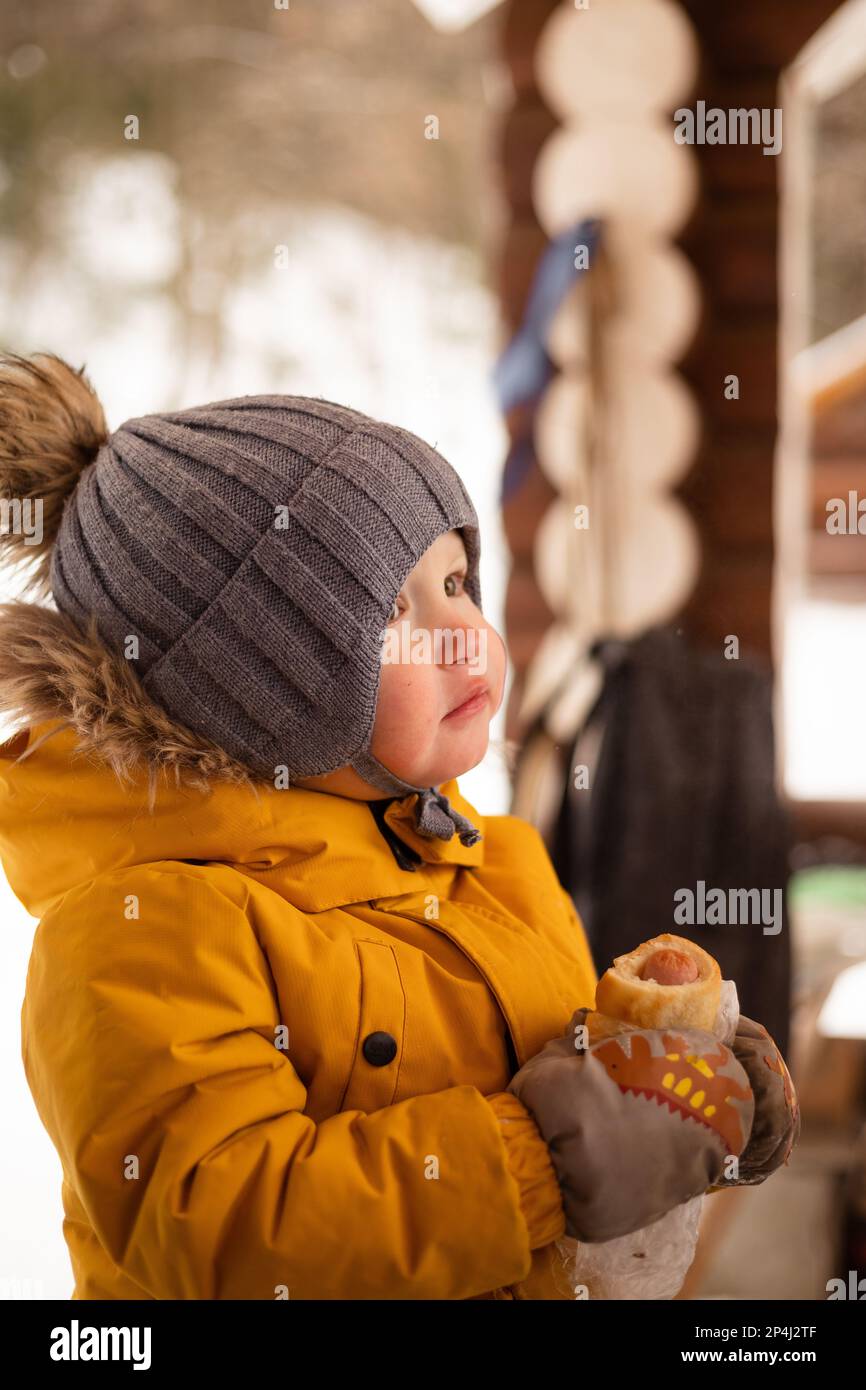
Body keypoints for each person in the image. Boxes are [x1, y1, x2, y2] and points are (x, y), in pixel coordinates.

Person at [0, 353, 799, 1300]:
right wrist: (544, 1162)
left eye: (457, 581)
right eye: (390, 613)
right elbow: (229, 1233)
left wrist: (678, 1084)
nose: (464, 632)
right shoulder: (141, 930)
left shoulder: (490, 864)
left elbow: (538, 1074)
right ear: (255, 692)